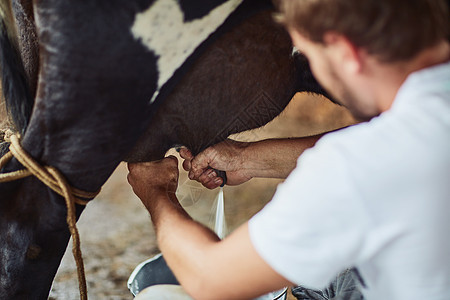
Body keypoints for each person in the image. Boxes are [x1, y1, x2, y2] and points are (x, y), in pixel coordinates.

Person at [127, 0, 450, 299]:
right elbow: (392, 145)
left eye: (310, 57)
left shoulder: (351, 168)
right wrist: (248, 159)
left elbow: (211, 278)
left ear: (346, 52)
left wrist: (157, 192)